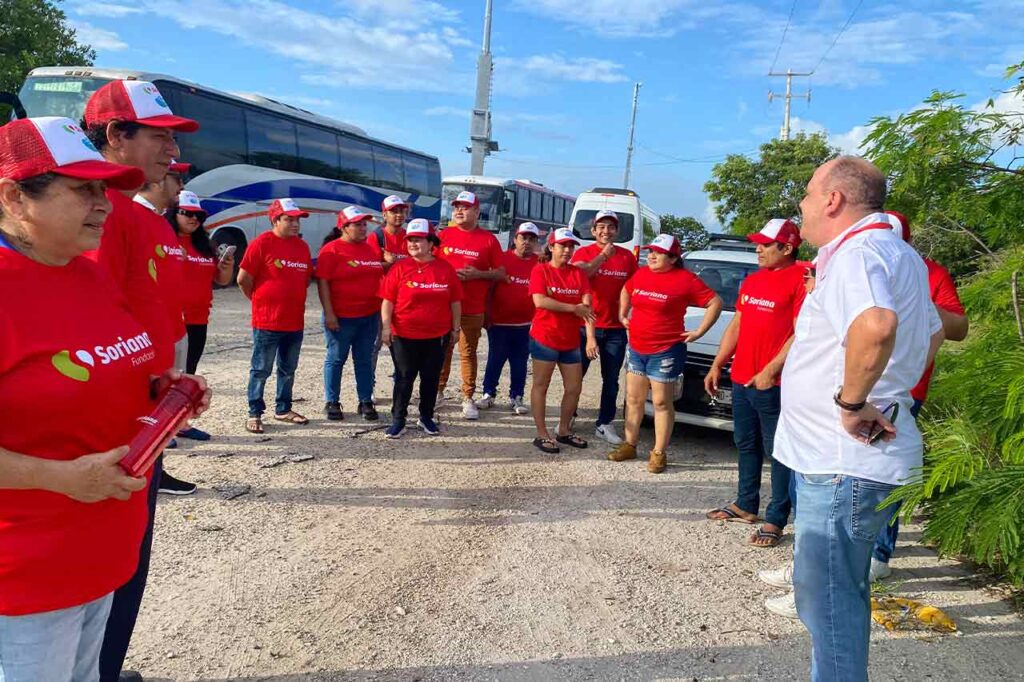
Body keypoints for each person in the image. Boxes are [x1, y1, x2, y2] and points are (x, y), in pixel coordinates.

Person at [0, 117, 210, 682]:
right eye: (83, 190)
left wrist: (163, 393)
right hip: (26, 574)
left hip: (99, 553)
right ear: (15, 197)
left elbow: (106, 366)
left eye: (104, 189)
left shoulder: (85, 275)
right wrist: (60, 478)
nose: (103, 205)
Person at [770, 156, 944, 681]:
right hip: (847, 460)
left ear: (833, 200)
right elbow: (933, 332)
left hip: (842, 461)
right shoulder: (900, 254)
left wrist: (851, 404)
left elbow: (876, 325)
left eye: (807, 194)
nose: (802, 205)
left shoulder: (858, 253)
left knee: (829, 602)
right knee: (836, 594)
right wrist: (891, 388)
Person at [80, 78, 201, 682]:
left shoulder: (145, 218)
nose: (172, 152)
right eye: (159, 136)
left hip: (145, 416)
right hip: (111, 424)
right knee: (103, 565)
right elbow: (84, 324)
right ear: (115, 135)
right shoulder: (94, 215)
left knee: (128, 557)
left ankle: (105, 668)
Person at [867, 210, 969, 582]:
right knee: (851, 471)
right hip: (858, 384)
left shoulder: (931, 273)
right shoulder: (858, 262)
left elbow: (959, 327)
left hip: (903, 391)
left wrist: (918, 302)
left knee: (887, 472)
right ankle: (835, 551)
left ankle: (878, 554)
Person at [704, 219, 806, 546]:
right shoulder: (754, 279)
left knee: (778, 452)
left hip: (773, 384)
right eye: (757, 243)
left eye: (765, 244)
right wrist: (718, 363)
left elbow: (801, 332)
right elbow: (738, 322)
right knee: (745, 442)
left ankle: (776, 518)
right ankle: (745, 503)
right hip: (741, 376)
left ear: (787, 248)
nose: (758, 249)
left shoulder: (801, 280)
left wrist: (772, 370)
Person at [612, 234, 722, 473]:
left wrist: (700, 331)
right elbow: (626, 289)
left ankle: (659, 452)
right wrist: (623, 313)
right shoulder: (642, 274)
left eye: (658, 253)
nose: (651, 256)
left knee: (661, 402)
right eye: (651, 251)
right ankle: (630, 444)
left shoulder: (686, 280)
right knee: (633, 399)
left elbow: (715, 302)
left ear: (673, 258)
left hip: (665, 351)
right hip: (637, 347)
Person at [379, 219, 463, 438]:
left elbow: (455, 301)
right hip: (404, 334)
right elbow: (388, 300)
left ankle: (426, 416)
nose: (413, 244)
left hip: (436, 335)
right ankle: (398, 420)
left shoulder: (445, 269)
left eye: (418, 240)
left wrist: (455, 329)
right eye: (410, 240)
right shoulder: (400, 268)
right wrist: (386, 327)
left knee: (430, 377)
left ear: (431, 243)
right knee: (404, 377)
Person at [238, 198, 313, 433]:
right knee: (261, 369)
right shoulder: (262, 243)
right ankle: (254, 412)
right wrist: (259, 300)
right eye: (289, 219)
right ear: (275, 220)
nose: (295, 224)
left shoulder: (302, 247)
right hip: (267, 321)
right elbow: (243, 279)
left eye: (297, 220)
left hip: (294, 321)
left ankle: (283, 409)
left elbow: (305, 280)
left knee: (288, 369)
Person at [570, 209, 637, 444]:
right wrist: (602, 257)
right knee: (575, 376)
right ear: (593, 230)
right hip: (584, 326)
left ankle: (605, 423)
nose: (605, 231)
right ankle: (569, 416)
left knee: (611, 379)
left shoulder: (627, 257)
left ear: (617, 231)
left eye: (610, 227)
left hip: (615, 329)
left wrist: (628, 314)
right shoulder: (583, 252)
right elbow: (581, 275)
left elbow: (633, 287)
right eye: (601, 227)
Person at [437, 191, 505, 419]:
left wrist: (478, 274)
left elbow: (501, 273)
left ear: (476, 211)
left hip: (473, 306)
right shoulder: (444, 235)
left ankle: (467, 397)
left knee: (467, 353)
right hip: (444, 306)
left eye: (465, 207)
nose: (459, 210)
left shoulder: (488, 240)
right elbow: (430, 263)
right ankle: (438, 391)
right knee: (443, 350)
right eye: (456, 206)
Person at [529, 228, 598, 453]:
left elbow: (587, 307)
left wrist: (590, 338)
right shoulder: (541, 270)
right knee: (541, 385)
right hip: (545, 337)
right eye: (563, 246)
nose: (567, 250)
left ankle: (564, 430)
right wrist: (573, 308)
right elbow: (540, 301)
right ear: (551, 247)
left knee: (574, 387)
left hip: (570, 340)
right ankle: (542, 434)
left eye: (571, 246)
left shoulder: (578, 273)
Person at [316, 206, 384, 422]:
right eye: (358, 225)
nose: (363, 228)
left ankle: (365, 401)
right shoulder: (331, 250)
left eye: (364, 224)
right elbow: (323, 283)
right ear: (344, 227)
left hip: (368, 316)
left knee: (364, 360)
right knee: (336, 359)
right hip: (341, 317)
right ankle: (332, 401)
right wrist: (329, 313)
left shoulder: (369, 249)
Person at [476, 222, 541, 415]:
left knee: (520, 362)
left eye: (531, 239)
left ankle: (516, 396)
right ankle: (488, 394)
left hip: (525, 324)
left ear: (536, 242)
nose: (527, 242)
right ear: (515, 239)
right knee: (495, 359)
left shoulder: (540, 263)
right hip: (499, 323)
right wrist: (486, 315)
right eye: (523, 238)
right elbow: (489, 290)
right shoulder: (502, 260)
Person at [169, 190, 234, 376]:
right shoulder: (164, 239)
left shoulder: (205, 245)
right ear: (174, 213)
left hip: (198, 320)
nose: (194, 219)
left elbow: (221, 280)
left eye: (198, 215)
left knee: (189, 373)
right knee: (169, 375)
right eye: (188, 213)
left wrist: (226, 267)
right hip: (171, 321)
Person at [369, 194, 410, 268]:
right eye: (394, 211)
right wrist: (389, 263)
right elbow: (370, 266)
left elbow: (418, 264)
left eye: (402, 211)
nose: (399, 215)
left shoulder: (410, 237)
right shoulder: (375, 237)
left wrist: (395, 261)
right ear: (384, 215)